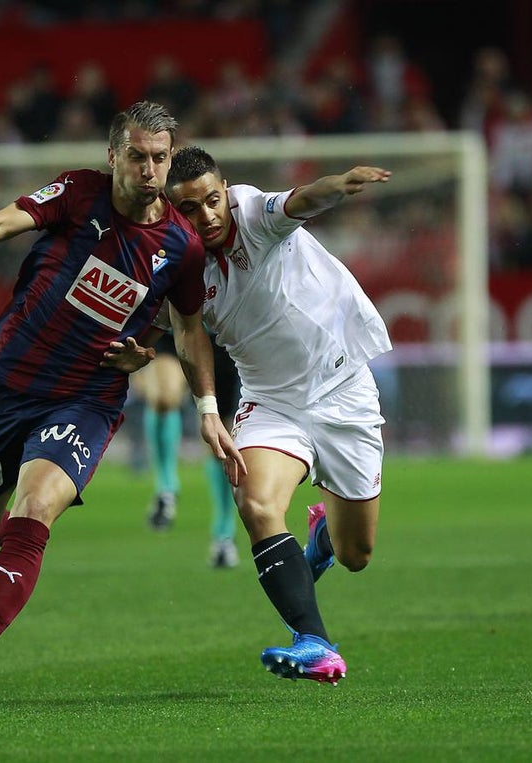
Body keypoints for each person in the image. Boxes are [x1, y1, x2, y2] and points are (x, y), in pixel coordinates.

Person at [0, 101, 245, 712]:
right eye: (138, 157)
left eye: (160, 158)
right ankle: (22, 539)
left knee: (37, 508)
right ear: (113, 156)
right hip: (6, 385)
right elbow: (8, 219)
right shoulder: (78, 193)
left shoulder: (179, 246)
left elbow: (189, 329)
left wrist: (204, 404)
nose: (150, 170)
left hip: (86, 397)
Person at [108, 147, 392, 684]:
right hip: (272, 401)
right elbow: (180, 328)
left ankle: (326, 534)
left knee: (357, 554)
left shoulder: (253, 213)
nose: (207, 216)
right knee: (255, 501)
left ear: (226, 192)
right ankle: (316, 643)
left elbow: (302, 200)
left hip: (343, 388)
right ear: (172, 210)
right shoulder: (174, 263)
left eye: (212, 201)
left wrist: (340, 183)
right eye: (189, 209)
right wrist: (140, 353)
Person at [131, 330, 243, 569]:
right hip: (172, 331)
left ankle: (223, 534)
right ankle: (167, 488)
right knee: (163, 397)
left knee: (220, 442)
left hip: (220, 337)